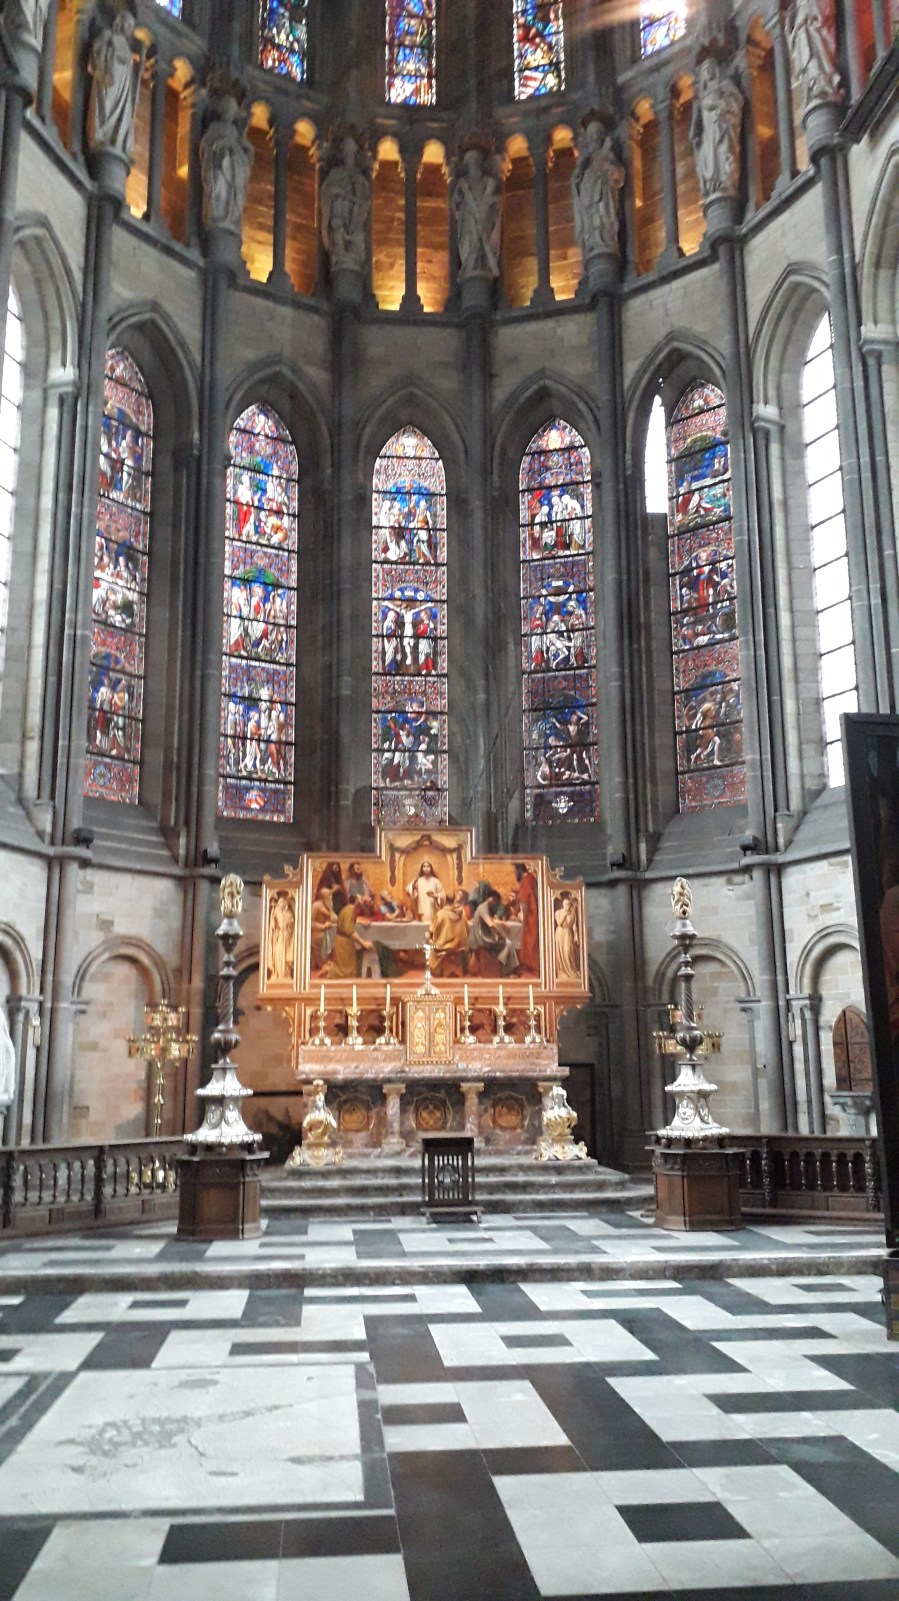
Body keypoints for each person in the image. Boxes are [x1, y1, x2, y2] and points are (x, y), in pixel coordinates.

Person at [470, 892, 519, 976]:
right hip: (483, 939)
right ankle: (508, 971)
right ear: (492, 899)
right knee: (509, 944)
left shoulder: (485, 907)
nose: (495, 904)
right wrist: (499, 934)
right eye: (495, 901)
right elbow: (491, 925)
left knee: (508, 943)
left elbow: (491, 920)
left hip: (484, 937)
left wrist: (501, 923)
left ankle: (506, 969)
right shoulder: (483, 908)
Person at [329, 889, 375, 978]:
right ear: (356, 901)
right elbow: (349, 930)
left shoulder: (351, 909)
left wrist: (360, 921)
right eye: (360, 899)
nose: (362, 901)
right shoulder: (350, 910)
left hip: (346, 942)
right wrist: (363, 943)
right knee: (344, 971)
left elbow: (348, 922)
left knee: (348, 968)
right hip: (343, 942)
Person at [429, 890, 470, 976]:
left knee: (430, 944)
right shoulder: (462, 913)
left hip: (444, 945)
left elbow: (433, 931)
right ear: (454, 900)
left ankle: (437, 971)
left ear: (444, 900)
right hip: (460, 945)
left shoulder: (440, 914)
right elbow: (467, 929)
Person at [514, 861, 540, 975]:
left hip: (531, 916)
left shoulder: (527, 881)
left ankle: (534, 968)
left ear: (519, 870)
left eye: (515, 871)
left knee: (530, 942)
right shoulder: (531, 879)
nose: (514, 874)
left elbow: (524, 901)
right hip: (533, 914)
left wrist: (522, 918)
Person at [554, 893, 581, 981]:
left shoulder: (572, 913)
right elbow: (559, 923)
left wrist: (576, 936)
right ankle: (563, 972)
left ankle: (571, 970)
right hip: (560, 933)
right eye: (565, 904)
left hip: (568, 933)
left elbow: (574, 926)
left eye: (568, 904)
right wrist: (565, 914)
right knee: (561, 953)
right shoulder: (558, 912)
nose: (567, 906)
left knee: (568, 951)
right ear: (563, 904)